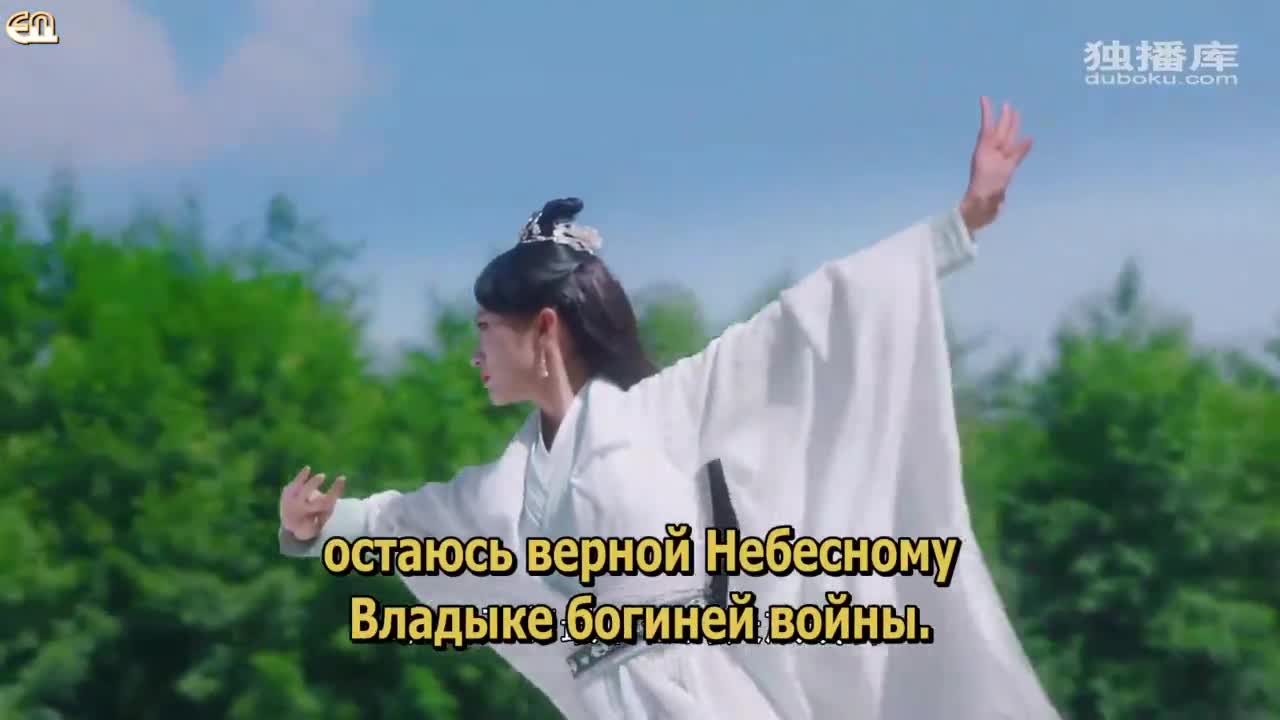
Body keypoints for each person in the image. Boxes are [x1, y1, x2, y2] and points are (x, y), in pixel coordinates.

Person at [277, 97, 1061, 719]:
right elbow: (406, 524)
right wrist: (318, 526)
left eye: (486, 330)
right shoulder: (504, 489)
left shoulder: (667, 411)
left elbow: (803, 328)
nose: (475, 353)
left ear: (543, 328)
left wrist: (960, 223)